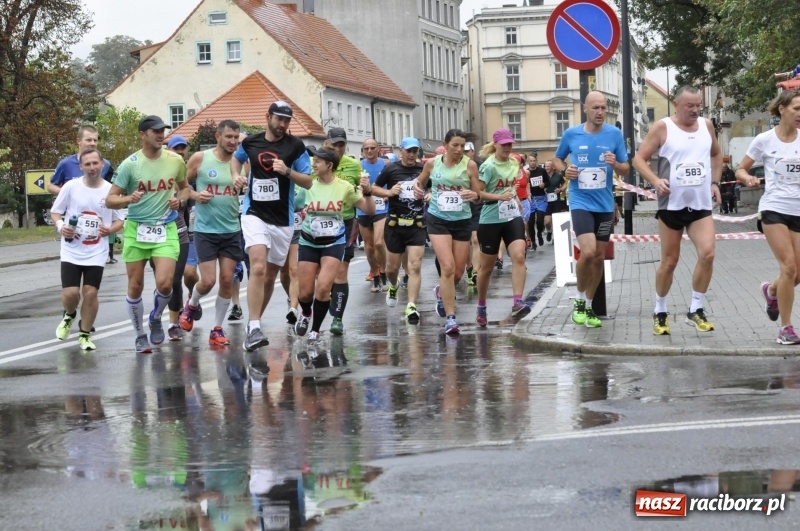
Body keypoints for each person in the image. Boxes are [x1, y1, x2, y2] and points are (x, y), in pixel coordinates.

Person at [632, 85, 722, 336]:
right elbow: (638, 160)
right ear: (677, 105)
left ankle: (696, 308)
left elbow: (716, 154)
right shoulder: (663, 127)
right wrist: (655, 180)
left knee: (708, 254)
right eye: (690, 106)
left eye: (698, 106)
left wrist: (715, 182)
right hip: (671, 204)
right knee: (670, 262)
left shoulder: (707, 126)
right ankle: (660, 310)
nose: (695, 110)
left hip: (700, 204)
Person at [232, 101, 313, 351]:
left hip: (283, 219)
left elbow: (308, 182)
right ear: (267, 117)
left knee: (269, 275)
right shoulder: (251, 142)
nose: (282, 124)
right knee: (256, 266)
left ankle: (253, 324)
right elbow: (237, 160)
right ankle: (255, 326)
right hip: (254, 213)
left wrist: (287, 171)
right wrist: (236, 175)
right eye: (278, 119)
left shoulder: (296, 146)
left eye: (287, 120)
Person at [106, 115, 190, 353]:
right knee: (135, 285)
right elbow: (110, 199)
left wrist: (179, 199)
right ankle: (139, 334)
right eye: (155, 131)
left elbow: (185, 189)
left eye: (162, 130)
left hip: (165, 227)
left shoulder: (175, 160)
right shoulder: (130, 164)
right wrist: (127, 198)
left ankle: (155, 316)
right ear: (142, 135)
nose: (160, 135)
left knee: (165, 283)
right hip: (136, 229)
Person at [554, 91, 630, 329]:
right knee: (587, 253)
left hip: (605, 205)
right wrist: (565, 170)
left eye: (603, 108)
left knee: (599, 257)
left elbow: (626, 168)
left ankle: (588, 305)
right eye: (595, 108)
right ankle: (578, 301)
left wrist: (615, 164)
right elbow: (557, 160)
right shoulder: (572, 134)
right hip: (580, 201)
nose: (600, 112)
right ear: (585, 108)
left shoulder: (614, 134)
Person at [735, 90, 800, 344]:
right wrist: (747, 177)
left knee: (797, 274)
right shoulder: (764, 140)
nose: (799, 114)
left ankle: (771, 291)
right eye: (796, 108)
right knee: (789, 266)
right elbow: (741, 169)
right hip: (774, 208)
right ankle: (786, 328)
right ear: (782, 109)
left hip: (798, 209)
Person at [294, 147, 374, 343]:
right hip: (308, 240)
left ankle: (315, 330)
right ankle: (305, 312)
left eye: (318, 162)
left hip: (334, 241)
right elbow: (293, 205)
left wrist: (368, 190)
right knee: (305, 292)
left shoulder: (344, 187)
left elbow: (368, 209)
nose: (314, 164)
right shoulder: (307, 185)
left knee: (323, 288)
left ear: (329, 165)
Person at [51, 149, 124, 350]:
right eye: (87, 164)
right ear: (81, 167)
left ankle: (84, 334)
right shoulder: (71, 187)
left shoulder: (111, 190)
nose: (92, 168)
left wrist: (109, 229)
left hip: (96, 251)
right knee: (71, 294)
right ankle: (70, 314)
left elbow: (120, 220)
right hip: (71, 249)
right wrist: (61, 227)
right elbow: (56, 213)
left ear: (102, 164)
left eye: (95, 163)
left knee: (90, 293)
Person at [179, 120, 244, 347]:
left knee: (227, 280)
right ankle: (192, 305)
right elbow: (181, 186)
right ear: (218, 137)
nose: (233, 141)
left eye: (236, 137)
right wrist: (196, 196)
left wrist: (244, 186)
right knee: (207, 281)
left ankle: (217, 329)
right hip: (206, 230)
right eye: (229, 137)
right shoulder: (201, 158)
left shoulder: (242, 163)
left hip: (231, 230)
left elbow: (250, 190)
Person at [414, 129, 481, 335]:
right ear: (446, 145)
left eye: (462, 146)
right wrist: (419, 190)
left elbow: (479, 195)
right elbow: (420, 182)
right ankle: (451, 319)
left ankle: (441, 291)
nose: (460, 150)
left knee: (458, 272)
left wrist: (473, 194)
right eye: (455, 146)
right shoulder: (433, 163)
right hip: (438, 219)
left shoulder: (470, 165)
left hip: (461, 221)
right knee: (448, 267)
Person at [475, 130, 530, 326]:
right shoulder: (488, 166)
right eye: (504, 144)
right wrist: (500, 197)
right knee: (487, 268)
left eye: (510, 144)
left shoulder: (515, 163)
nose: (507, 148)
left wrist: (515, 197)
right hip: (490, 218)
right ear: (495, 145)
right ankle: (481, 305)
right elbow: (478, 193)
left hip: (511, 215)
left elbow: (512, 186)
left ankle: (517, 301)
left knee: (519, 255)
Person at [372, 137, 426, 324]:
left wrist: (428, 195)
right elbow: (374, 188)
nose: (412, 155)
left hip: (417, 225)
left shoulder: (423, 170)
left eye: (415, 151)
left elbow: (434, 189)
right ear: (401, 151)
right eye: (408, 151)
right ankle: (393, 286)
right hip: (395, 225)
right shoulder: (391, 169)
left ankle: (411, 305)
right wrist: (388, 192)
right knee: (391, 268)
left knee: (415, 266)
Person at [324, 127, 364, 336]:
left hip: (346, 222)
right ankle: (328, 295)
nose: (338, 148)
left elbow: (362, 190)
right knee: (324, 274)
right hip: (319, 223)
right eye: (335, 144)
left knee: (341, 270)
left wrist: (364, 188)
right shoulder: (317, 164)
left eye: (342, 144)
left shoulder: (353, 165)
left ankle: (337, 318)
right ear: (326, 143)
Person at [161, 135, 194, 342]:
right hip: (158, 235)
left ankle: (174, 322)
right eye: (176, 149)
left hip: (183, 233)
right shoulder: (161, 173)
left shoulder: (189, 174)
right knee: (163, 282)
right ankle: (183, 306)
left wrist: (185, 199)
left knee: (178, 279)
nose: (180, 152)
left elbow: (190, 199)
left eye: (183, 149)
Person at [358, 138, 389, 293]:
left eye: (372, 148)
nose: (369, 151)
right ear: (362, 151)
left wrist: (387, 194)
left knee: (378, 243)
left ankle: (383, 272)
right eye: (366, 149)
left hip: (381, 209)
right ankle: (375, 274)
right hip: (362, 209)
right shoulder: (358, 166)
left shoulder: (386, 164)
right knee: (369, 247)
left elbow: (393, 183)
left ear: (378, 149)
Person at [48, 124, 114, 196]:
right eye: (89, 140)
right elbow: (50, 186)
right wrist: (69, 194)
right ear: (79, 141)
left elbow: (113, 189)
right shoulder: (65, 164)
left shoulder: (105, 164)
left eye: (95, 140)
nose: (93, 143)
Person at [464, 141, 482, 286]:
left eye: (467, 152)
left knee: (475, 240)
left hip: (476, 206)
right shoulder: (454, 167)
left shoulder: (479, 167)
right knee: (465, 242)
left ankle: (476, 271)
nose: (464, 155)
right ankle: (469, 267)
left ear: (473, 152)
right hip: (460, 208)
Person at [527, 153, 550, 250]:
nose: (532, 163)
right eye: (530, 161)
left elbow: (548, 182)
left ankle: (539, 233)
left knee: (540, 220)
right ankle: (533, 241)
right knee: (530, 222)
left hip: (541, 198)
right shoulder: (526, 172)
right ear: (528, 162)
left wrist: (544, 184)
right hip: (530, 200)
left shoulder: (542, 171)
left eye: (534, 161)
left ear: (536, 162)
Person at [544, 159, 568, 240]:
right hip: (546, 201)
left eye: (548, 166)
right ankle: (549, 231)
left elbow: (565, 184)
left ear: (552, 167)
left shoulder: (558, 176)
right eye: (545, 166)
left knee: (555, 220)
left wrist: (560, 189)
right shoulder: (543, 176)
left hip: (556, 200)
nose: (546, 168)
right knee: (547, 221)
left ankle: (555, 237)